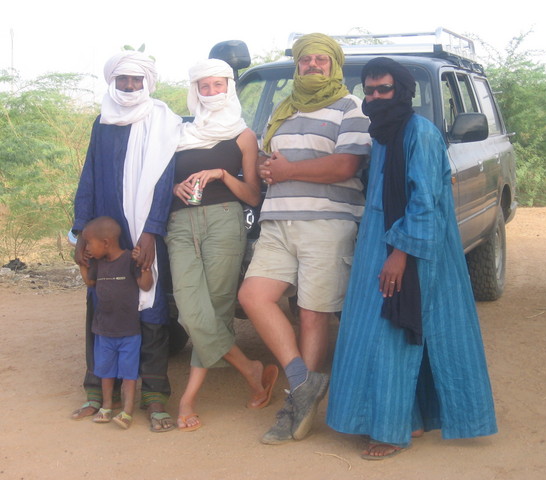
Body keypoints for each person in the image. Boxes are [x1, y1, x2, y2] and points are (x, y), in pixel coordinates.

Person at [326, 57, 498, 459]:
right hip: (378, 243)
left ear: (402, 92)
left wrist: (400, 254)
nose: (375, 98)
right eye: (368, 91)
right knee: (384, 328)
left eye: (383, 90)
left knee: (396, 330)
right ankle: (413, 416)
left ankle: (390, 429)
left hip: (414, 248)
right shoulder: (384, 134)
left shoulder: (419, 132)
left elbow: (424, 201)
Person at [237, 33, 371, 445]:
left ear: (334, 65)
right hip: (278, 221)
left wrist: (289, 171)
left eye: (321, 60)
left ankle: (297, 407)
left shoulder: (352, 108)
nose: (312, 66)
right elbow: (273, 161)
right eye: (306, 60)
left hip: (327, 222)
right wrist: (265, 168)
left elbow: (346, 164)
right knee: (253, 297)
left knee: (313, 313)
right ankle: (304, 381)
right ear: (298, 65)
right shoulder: (284, 108)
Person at [71, 50, 183, 432]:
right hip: (103, 234)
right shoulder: (102, 123)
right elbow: (89, 176)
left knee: (149, 310)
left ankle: (153, 398)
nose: (130, 86)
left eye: (137, 80)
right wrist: (80, 231)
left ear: (148, 82)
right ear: (112, 82)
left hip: (144, 234)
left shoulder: (163, 121)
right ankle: (98, 394)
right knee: (102, 305)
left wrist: (151, 229)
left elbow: (165, 181)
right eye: (123, 80)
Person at [165, 58, 279, 432]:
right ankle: (250, 368)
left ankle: (188, 398)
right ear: (194, 91)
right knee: (188, 309)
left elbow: (251, 194)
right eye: (204, 87)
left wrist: (222, 173)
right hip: (180, 223)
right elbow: (159, 178)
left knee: (213, 310)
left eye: (218, 86)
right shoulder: (180, 132)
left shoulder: (243, 135)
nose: (211, 93)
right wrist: (172, 188)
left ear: (229, 88)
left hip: (225, 221)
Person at [78, 216, 153, 429]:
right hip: (103, 330)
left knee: (129, 374)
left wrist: (145, 266)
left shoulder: (130, 259)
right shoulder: (98, 264)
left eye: (89, 243)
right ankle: (107, 406)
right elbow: (89, 282)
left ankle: (127, 410)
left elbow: (146, 286)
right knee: (106, 372)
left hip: (129, 331)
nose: (88, 248)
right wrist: (82, 263)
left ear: (106, 242)